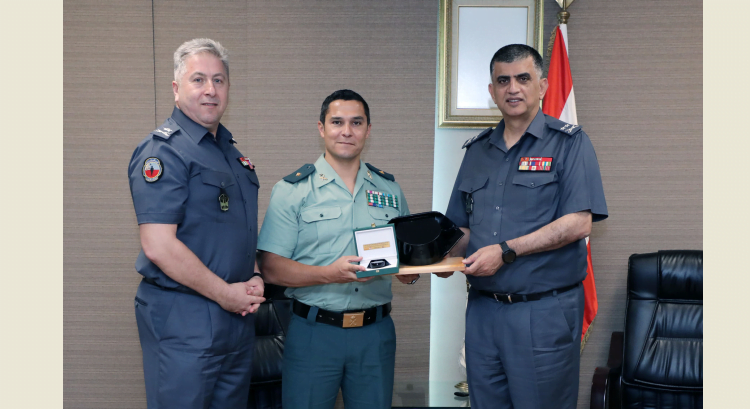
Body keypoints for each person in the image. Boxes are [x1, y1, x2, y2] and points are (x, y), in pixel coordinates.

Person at [444, 44, 608, 409]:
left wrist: (506, 251)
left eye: (523, 78)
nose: (513, 88)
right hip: (483, 312)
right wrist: (430, 259)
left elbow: (579, 222)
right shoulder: (477, 151)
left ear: (543, 86)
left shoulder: (569, 143)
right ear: (492, 91)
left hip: (543, 311)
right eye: (503, 81)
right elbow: (462, 230)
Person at [257, 89, 418, 409]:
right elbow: (271, 268)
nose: (347, 131)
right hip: (314, 333)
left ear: (368, 130)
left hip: (375, 334)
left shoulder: (389, 190)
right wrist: (330, 274)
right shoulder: (292, 190)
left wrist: (415, 271)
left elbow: (407, 260)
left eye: (356, 123)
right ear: (321, 128)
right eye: (337, 122)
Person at [128, 38, 265, 409]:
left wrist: (254, 275)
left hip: (236, 319)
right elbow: (158, 245)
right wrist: (225, 294)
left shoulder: (233, 154)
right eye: (199, 79)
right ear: (176, 89)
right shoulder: (163, 152)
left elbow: (235, 231)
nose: (210, 90)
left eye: (219, 80)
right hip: (184, 317)